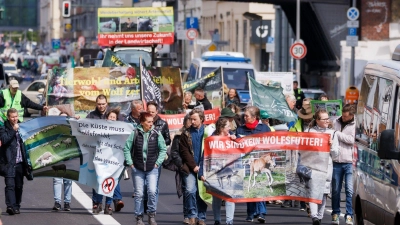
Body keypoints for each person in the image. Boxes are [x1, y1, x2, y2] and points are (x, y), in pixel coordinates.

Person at [123, 112, 167, 225]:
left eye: (152, 122)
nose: (151, 124)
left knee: (152, 191)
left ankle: (151, 215)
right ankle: (139, 217)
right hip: (138, 168)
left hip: (152, 168)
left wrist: (157, 163)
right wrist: (130, 163)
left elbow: (163, 149)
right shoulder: (135, 133)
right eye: (148, 122)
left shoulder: (156, 133)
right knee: (139, 194)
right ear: (142, 122)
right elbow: (127, 148)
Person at [86, 95, 124, 214]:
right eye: (99, 104)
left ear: (106, 104)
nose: (101, 106)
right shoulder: (91, 116)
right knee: (97, 180)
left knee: (111, 179)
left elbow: (126, 128)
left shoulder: (115, 116)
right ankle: (97, 203)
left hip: (112, 156)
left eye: (103, 104)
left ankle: (110, 204)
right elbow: (84, 129)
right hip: (96, 154)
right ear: (96, 104)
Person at [236, 106, 270, 223]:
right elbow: (237, 146)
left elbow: (270, 144)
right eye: (244, 115)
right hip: (247, 162)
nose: (244, 117)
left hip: (260, 162)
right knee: (249, 187)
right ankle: (250, 213)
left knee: (260, 186)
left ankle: (261, 213)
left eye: (246, 116)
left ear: (254, 117)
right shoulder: (240, 130)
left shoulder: (264, 128)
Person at [201, 118, 236, 225]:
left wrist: (236, 138)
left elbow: (242, 146)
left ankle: (229, 221)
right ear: (221, 128)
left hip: (229, 170)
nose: (230, 128)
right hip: (215, 172)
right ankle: (217, 220)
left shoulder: (232, 137)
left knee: (229, 197)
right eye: (228, 127)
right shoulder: (212, 139)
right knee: (216, 198)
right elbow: (204, 156)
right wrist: (201, 173)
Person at [306, 109, 338, 225]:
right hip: (313, 167)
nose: (327, 121)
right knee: (313, 191)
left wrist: (331, 145)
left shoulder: (332, 133)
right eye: (324, 119)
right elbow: (303, 149)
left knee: (323, 193)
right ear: (317, 120)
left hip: (326, 168)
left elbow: (335, 155)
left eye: (327, 118)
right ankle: (314, 216)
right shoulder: (309, 131)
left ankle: (319, 216)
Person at [179, 109, 209, 225]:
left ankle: (201, 217)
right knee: (190, 190)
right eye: (191, 119)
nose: (192, 121)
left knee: (201, 193)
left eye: (194, 119)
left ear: (201, 119)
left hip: (204, 167)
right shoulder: (186, 134)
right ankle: (192, 215)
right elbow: (184, 152)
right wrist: (194, 166)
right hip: (190, 168)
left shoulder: (208, 132)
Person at [283, 98, 314, 211]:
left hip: (314, 157)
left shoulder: (316, 126)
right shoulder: (295, 125)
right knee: (302, 177)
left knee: (311, 180)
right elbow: (289, 139)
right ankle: (304, 202)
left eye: (308, 118)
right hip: (300, 156)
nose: (306, 120)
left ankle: (309, 203)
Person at [0, 108, 32, 215]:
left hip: (20, 162)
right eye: (13, 117)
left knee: (19, 186)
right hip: (8, 161)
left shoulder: (22, 127)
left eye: (16, 116)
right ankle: (10, 206)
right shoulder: (3, 128)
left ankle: (17, 205)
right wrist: (13, 130)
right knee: (10, 185)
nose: (15, 119)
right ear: (8, 117)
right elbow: (4, 140)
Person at [331, 104, 356, 225]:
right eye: (343, 115)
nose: (344, 118)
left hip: (349, 161)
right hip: (336, 161)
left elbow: (352, 140)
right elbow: (331, 134)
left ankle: (349, 215)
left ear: (352, 116)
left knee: (349, 190)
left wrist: (337, 134)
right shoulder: (336, 121)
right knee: (335, 189)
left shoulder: (355, 124)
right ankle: (335, 213)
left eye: (346, 117)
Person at [51, 111, 75, 212]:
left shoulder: (73, 131)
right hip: (58, 158)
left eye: (66, 119)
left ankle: (67, 202)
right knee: (57, 180)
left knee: (68, 180)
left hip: (69, 158)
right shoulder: (55, 131)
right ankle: (57, 202)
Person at [170, 114, 192, 224]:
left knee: (196, 193)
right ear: (184, 123)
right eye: (189, 121)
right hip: (185, 168)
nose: (191, 123)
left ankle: (197, 215)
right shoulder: (179, 136)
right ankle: (187, 216)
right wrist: (182, 165)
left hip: (197, 167)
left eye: (193, 120)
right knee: (187, 191)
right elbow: (174, 152)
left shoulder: (198, 133)